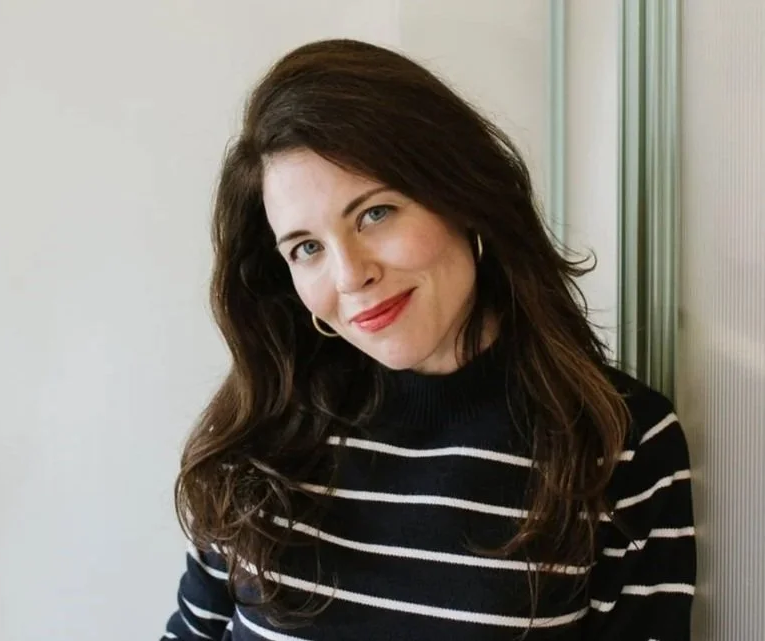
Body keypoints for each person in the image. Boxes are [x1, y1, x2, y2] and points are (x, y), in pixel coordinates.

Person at [161, 39, 696, 641]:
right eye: (307, 247)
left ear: (462, 197)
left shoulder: (619, 444)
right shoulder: (262, 431)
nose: (350, 275)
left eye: (375, 213)